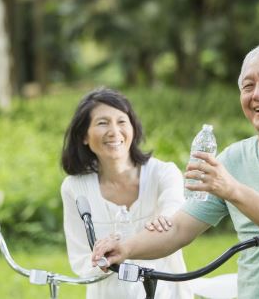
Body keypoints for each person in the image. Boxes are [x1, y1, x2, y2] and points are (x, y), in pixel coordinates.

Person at [92, 43, 259, 298]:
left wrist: (232, 190)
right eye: (247, 86)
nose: (257, 94)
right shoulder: (232, 159)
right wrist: (126, 247)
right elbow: (180, 228)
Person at [60, 87, 193, 299]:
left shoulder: (164, 173)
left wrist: (127, 246)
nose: (114, 131)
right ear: (84, 136)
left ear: (133, 128)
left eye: (122, 121)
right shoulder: (74, 188)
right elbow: (81, 259)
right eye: (103, 123)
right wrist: (104, 259)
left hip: (165, 293)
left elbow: (173, 219)